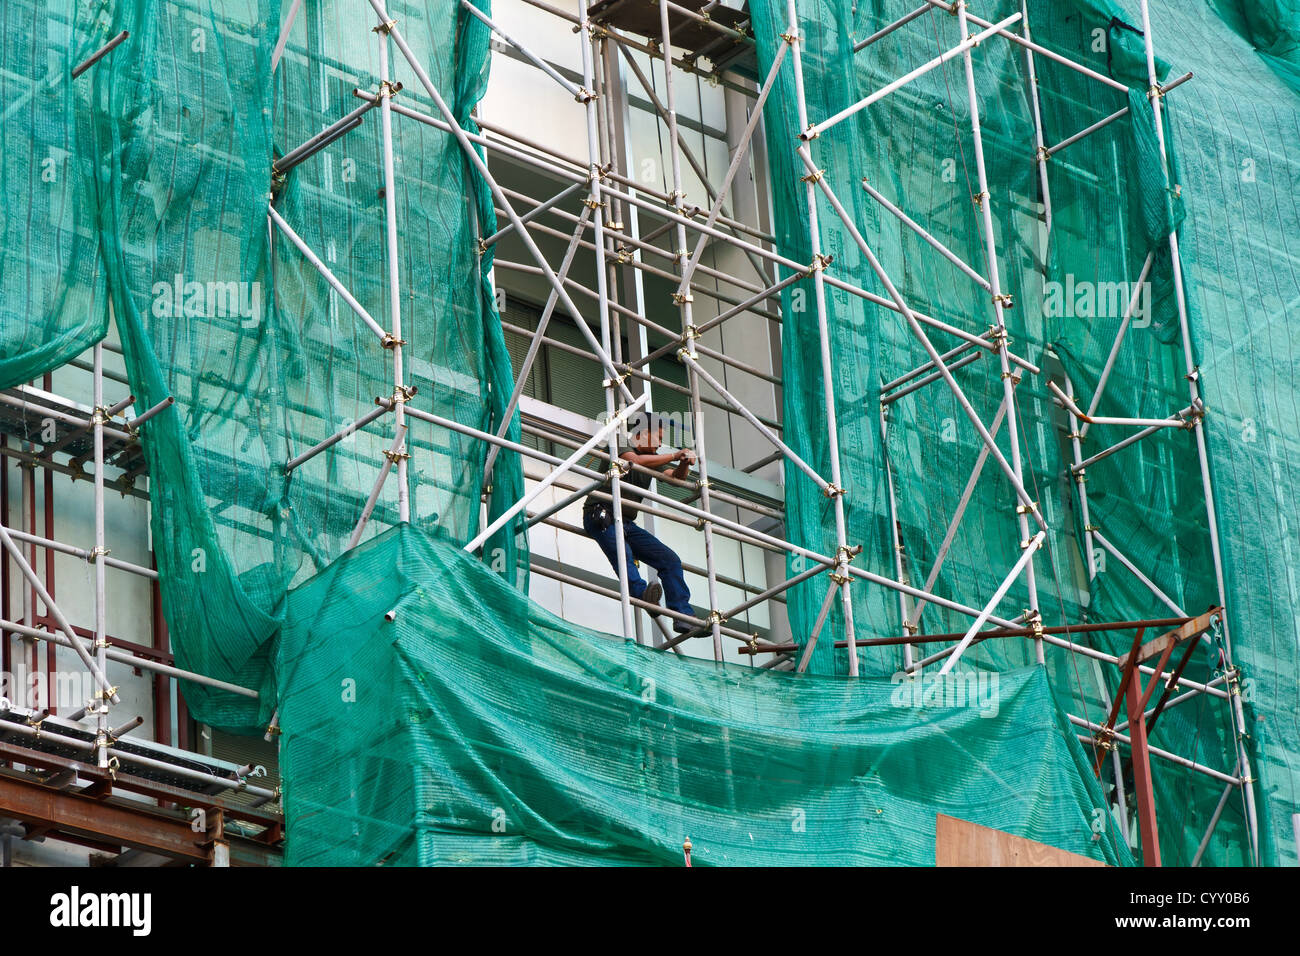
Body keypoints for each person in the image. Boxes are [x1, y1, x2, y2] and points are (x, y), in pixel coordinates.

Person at [582, 411, 696, 633]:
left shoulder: (654, 458)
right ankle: (642, 594)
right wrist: (675, 455)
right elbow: (633, 462)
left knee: (670, 559)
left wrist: (684, 463)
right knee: (624, 554)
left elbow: (676, 478)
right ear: (643, 434)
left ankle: (683, 614)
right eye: (658, 438)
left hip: (626, 522)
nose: (660, 444)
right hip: (601, 512)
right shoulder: (620, 443)